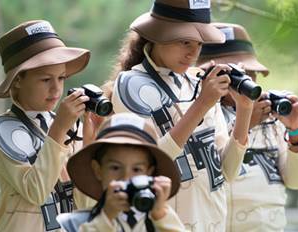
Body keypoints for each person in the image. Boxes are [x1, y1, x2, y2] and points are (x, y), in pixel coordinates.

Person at [105, 0, 254, 230]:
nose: (193, 53)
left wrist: (244, 109)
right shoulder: (130, 85)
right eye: (185, 42)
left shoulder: (197, 83)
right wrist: (201, 105)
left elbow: (227, 172)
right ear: (157, 35)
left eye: (199, 43)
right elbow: (145, 164)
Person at [197, 23, 298, 231]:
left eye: (251, 73)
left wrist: (295, 132)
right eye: (235, 77)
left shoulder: (271, 116)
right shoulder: (199, 116)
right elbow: (213, 174)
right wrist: (245, 122)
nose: (247, 84)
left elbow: (296, 180)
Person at [0, 20, 97, 231]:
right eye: (45, 80)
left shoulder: (69, 125)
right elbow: (36, 191)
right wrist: (58, 130)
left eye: (61, 78)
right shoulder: (0, 130)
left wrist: (89, 145)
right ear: (17, 80)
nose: (56, 89)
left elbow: (85, 206)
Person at [56, 113, 186, 231]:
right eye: (115, 168)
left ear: (150, 173)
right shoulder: (74, 224)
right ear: (98, 170)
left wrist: (161, 215)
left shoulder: (162, 218)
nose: (126, 177)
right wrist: (106, 218)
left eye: (136, 169)